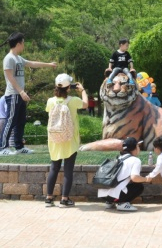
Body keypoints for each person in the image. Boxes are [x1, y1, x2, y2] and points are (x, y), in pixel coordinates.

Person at [0, 32, 57, 156]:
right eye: (23, 43)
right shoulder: (9, 58)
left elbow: (32, 64)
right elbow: (10, 77)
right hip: (13, 95)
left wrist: (49, 65)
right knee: (11, 120)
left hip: (20, 95)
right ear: (19, 43)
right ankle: (2, 148)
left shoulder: (18, 58)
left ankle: (19, 147)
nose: (24, 45)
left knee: (21, 121)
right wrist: (21, 91)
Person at [45, 74, 88, 208]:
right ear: (69, 87)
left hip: (54, 139)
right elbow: (86, 104)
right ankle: (64, 199)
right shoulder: (73, 100)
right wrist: (83, 90)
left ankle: (49, 198)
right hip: (70, 139)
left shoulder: (50, 101)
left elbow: (48, 112)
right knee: (68, 170)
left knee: (54, 168)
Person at [97, 137, 149, 211]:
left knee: (123, 184)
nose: (139, 148)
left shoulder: (118, 157)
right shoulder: (135, 160)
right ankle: (122, 203)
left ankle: (109, 202)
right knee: (139, 186)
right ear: (134, 148)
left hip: (103, 195)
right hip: (116, 196)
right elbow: (134, 178)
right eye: (138, 146)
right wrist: (146, 179)